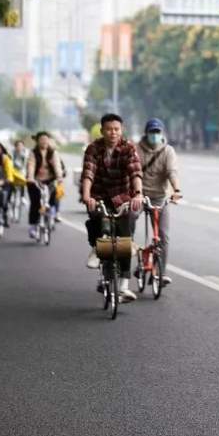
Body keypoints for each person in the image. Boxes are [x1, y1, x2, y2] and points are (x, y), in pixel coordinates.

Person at [81, 114, 143, 303]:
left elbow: (135, 171)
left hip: (122, 196)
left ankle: (123, 286)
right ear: (102, 131)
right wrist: (86, 195)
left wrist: (138, 193)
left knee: (124, 240)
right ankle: (96, 248)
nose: (113, 132)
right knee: (96, 218)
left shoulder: (128, 147)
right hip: (99, 195)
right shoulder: (94, 148)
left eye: (116, 129)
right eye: (109, 129)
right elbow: (88, 173)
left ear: (121, 130)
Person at [135, 118, 182, 286]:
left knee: (163, 235)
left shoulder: (168, 151)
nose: (154, 135)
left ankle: (160, 273)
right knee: (128, 221)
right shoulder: (136, 149)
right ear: (146, 133)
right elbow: (134, 173)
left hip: (160, 197)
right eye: (151, 132)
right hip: (138, 195)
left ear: (162, 133)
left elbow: (172, 172)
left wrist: (176, 190)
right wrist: (137, 194)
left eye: (157, 132)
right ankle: (130, 256)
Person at [26, 131, 63, 240]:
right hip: (35, 181)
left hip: (49, 180)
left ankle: (51, 212)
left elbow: (57, 165)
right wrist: (31, 177)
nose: (44, 142)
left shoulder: (53, 153)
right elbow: (31, 166)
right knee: (35, 203)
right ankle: (33, 226)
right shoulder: (33, 153)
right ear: (37, 141)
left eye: (46, 139)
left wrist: (59, 177)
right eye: (42, 139)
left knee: (53, 196)